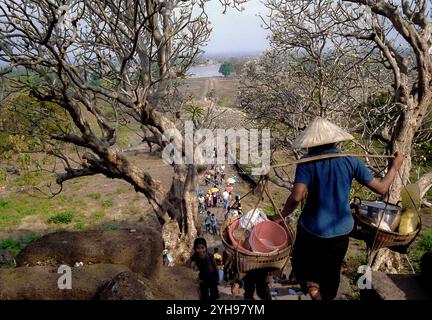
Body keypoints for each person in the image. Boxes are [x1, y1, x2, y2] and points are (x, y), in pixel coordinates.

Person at [272, 117, 405, 300]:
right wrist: (395, 167)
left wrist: (281, 216)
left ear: (310, 143)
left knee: (303, 264)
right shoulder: (351, 160)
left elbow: (296, 196)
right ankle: (320, 293)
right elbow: (382, 188)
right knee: (331, 271)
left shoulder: (306, 162)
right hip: (341, 230)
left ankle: (312, 289)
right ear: (336, 140)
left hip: (311, 228)